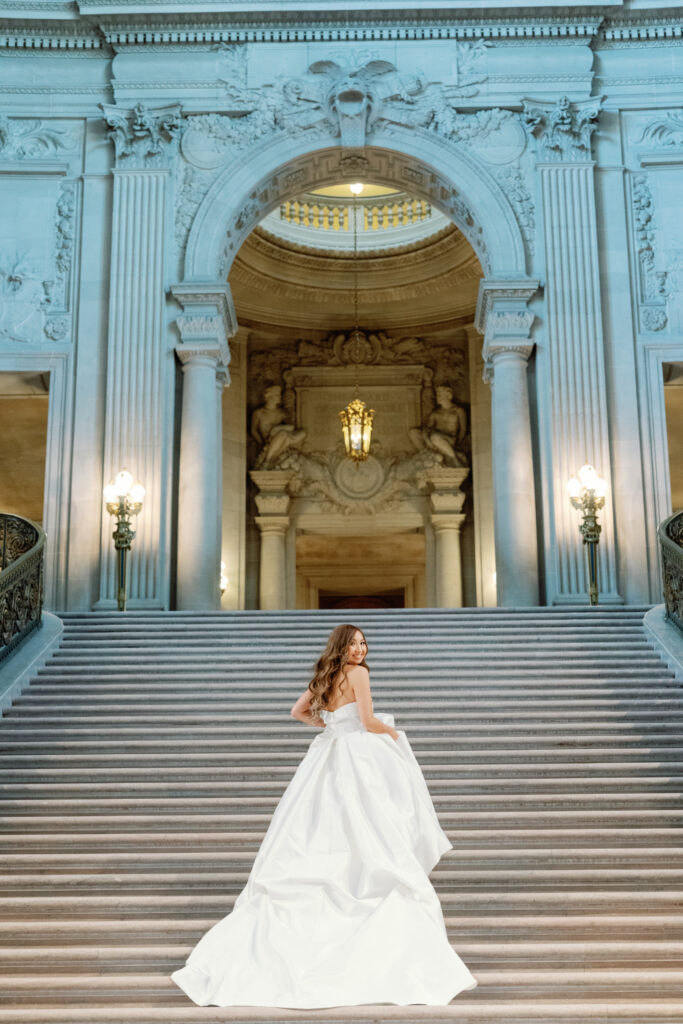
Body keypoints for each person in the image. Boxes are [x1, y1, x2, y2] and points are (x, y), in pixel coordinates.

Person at [171, 624, 477, 1008]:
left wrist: (329, 725)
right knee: (368, 826)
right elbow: (368, 721)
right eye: (353, 644)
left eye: (363, 643)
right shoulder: (358, 674)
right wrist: (394, 734)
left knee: (322, 827)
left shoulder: (328, 675)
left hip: (327, 755)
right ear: (341, 647)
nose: (360, 650)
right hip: (356, 758)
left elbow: (297, 711)